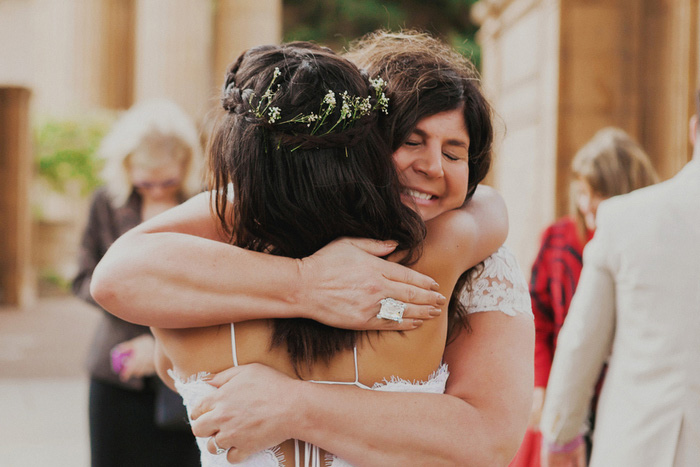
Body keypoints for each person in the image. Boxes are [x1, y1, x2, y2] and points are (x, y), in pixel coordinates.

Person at [92, 31, 534, 465]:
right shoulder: (236, 231)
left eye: (455, 154)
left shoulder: (470, 257)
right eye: (411, 141)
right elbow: (116, 275)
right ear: (359, 142)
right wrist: (307, 284)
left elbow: (489, 438)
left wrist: (294, 406)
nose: (433, 167)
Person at [538, 100, 700, 466]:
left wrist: (561, 439)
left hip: (644, 447)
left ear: (693, 129)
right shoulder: (564, 235)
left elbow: (581, 341)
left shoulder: (626, 218)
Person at [510, 127, 659, 466]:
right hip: (564, 399)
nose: (586, 204)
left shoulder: (648, 247)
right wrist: (544, 384)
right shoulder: (558, 239)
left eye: (598, 192)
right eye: (582, 192)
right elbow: (537, 316)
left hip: (624, 407)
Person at [72, 99, 203, 466]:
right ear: (127, 168)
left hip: (186, 369)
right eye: (146, 182)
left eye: (168, 181)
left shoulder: (204, 204)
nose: (158, 191)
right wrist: (128, 303)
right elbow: (83, 277)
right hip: (116, 373)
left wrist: (159, 343)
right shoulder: (105, 204)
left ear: (186, 165)